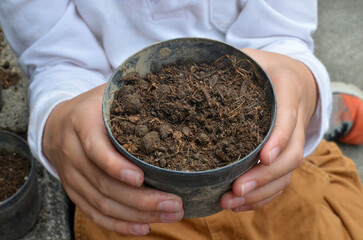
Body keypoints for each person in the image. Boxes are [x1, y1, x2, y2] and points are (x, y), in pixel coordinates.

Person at [0, 1, 362, 239]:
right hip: (129, 185)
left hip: (264, 167)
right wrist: (60, 120)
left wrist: (300, 82)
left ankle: (315, 114)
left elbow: (282, 33)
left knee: (320, 220)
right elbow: (53, 56)